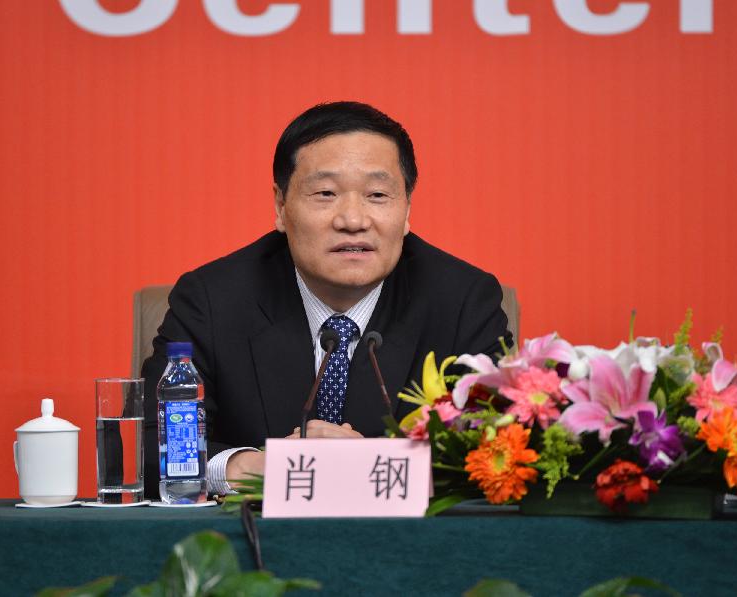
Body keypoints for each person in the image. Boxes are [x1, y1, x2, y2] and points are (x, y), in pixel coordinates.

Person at [141, 101, 512, 499]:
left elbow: (501, 451)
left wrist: (368, 465)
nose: (352, 220)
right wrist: (246, 467)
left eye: (377, 194)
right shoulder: (213, 300)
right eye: (325, 192)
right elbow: (148, 445)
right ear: (280, 206)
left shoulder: (462, 300)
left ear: (407, 209)